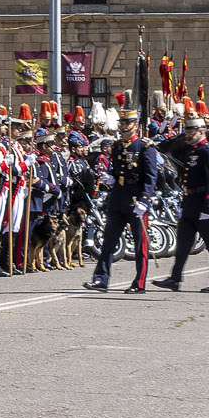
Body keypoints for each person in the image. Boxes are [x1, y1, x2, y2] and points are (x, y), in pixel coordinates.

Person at [85, 108, 158, 294]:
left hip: (136, 200)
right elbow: (117, 170)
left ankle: (139, 283)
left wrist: (145, 201)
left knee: (140, 244)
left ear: (135, 125)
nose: (124, 127)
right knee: (108, 241)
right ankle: (101, 279)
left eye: (127, 123)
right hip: (118, 198)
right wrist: (111, 177)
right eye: (122, 123)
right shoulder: (117, 146)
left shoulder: (145, 147)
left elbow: (151, 177)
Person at [158, 116, 209, 294]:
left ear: (201, 131)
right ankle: (175, 279)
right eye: (187, 131)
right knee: (183, 245)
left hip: (206, 205)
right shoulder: (191, 151)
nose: (187, 134)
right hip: (190, 204)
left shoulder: (208, 151)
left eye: (191, 131)